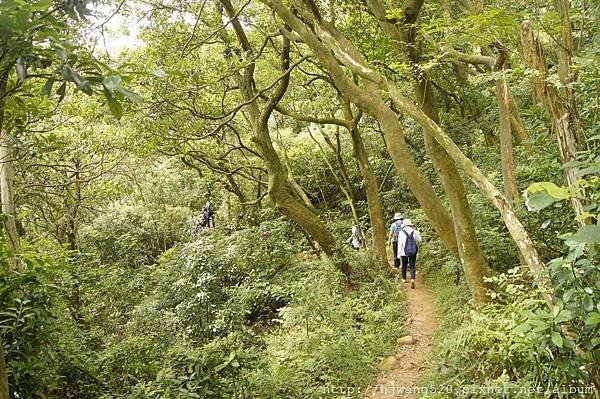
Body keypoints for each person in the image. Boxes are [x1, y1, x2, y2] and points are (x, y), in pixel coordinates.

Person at [397, 219, 422, 289]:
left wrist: (398, 254)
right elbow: (420, 239)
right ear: (410, 224)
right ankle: (412, 279)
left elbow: (400, 244)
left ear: (404, 225)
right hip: (413, 251)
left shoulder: (401, 233)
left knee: (404, 266)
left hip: (403, 252)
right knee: (412, 266)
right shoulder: (415, 231)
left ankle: (404, 279)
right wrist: (418, 233)